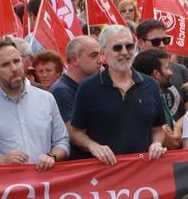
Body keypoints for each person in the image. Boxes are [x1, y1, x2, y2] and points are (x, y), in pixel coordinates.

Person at [69, 25, 168, 163]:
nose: (125, 52)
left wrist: (156, 144)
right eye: (117, 48)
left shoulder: (150, 85)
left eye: (129, 46)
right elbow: (75, 132)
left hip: (142, 172)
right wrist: (93, 146)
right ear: (103, 53)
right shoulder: (88, 88)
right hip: (104, 175)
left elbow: (158, 128)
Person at [0, 38, 69, 168]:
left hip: (44, 184)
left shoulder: (47, 99)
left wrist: (52, 156)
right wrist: (2, 161)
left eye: (16, 61)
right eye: (5, 64)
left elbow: (62, 141)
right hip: (5, 185)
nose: (14, 68)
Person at [51, 36, 100, 120]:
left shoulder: (93, 85)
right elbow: (73, 131)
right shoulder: (61, 91)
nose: (101, 60)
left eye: (101, 54)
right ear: (74, 60)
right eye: (94, 55)